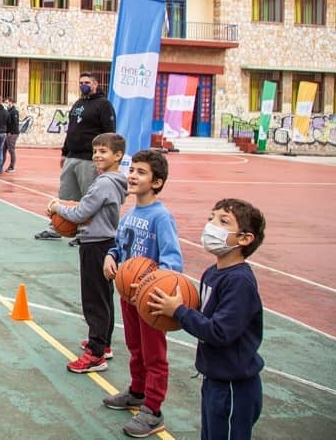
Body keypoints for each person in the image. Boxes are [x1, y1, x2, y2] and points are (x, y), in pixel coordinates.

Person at [148, 198, 266, 440]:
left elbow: (221, 332)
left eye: (223, 221)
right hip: (214, 378)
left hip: (235, 385)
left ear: (244, 238)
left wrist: (179, 311)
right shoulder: (212, 273)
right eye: (211, 218)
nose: (211, 225)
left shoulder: (239, 282)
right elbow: (202, 318)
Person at [101, 149, 182, 438]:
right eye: (131, 170)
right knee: (135, 348)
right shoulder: (130, 212)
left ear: (157, 182)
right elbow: (120, 245)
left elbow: (173, 262)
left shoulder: (161, 217)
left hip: (150, 300)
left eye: (141, 172)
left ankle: (153, 410)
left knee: (154, 355)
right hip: (127, 295)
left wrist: (149, 282)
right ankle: (136, 391)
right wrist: (111, 256)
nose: (132, 175)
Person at [48, 133, 127, 372]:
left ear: (118, 155)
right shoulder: (115, 180)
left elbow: (80, 213)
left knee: (94, 300)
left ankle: (95, 353)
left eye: (103, 151)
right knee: (104, 297)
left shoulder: (103, 183)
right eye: (95, 151)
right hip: (106, 243)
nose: (97, 155)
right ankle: (105, 343)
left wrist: (56, 207)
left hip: (96, 245)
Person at [35, 72, 115, 245]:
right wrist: (65, 152)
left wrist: (103, 159)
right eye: (80, 82)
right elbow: (71, 129)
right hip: (72, 156)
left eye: (86, 82)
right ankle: (55, 228)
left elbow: (109, 134)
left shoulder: (104, 105)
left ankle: (85, 234)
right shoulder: (78, 104)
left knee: (88, 197)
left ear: (95, 84)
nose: (83, 85)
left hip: (89, 159)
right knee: (65, 195)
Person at [2, 96, 20, 172]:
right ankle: (1, 164)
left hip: (13, 134)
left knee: (11, 150)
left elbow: (15, 124)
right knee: (4, 149)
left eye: (7, 102)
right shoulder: (8, 111)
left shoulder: (14, 112)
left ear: (11, 102)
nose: (6, 104)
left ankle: (12, 167)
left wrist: (11, 132)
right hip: (8, 133)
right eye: (5, 102)